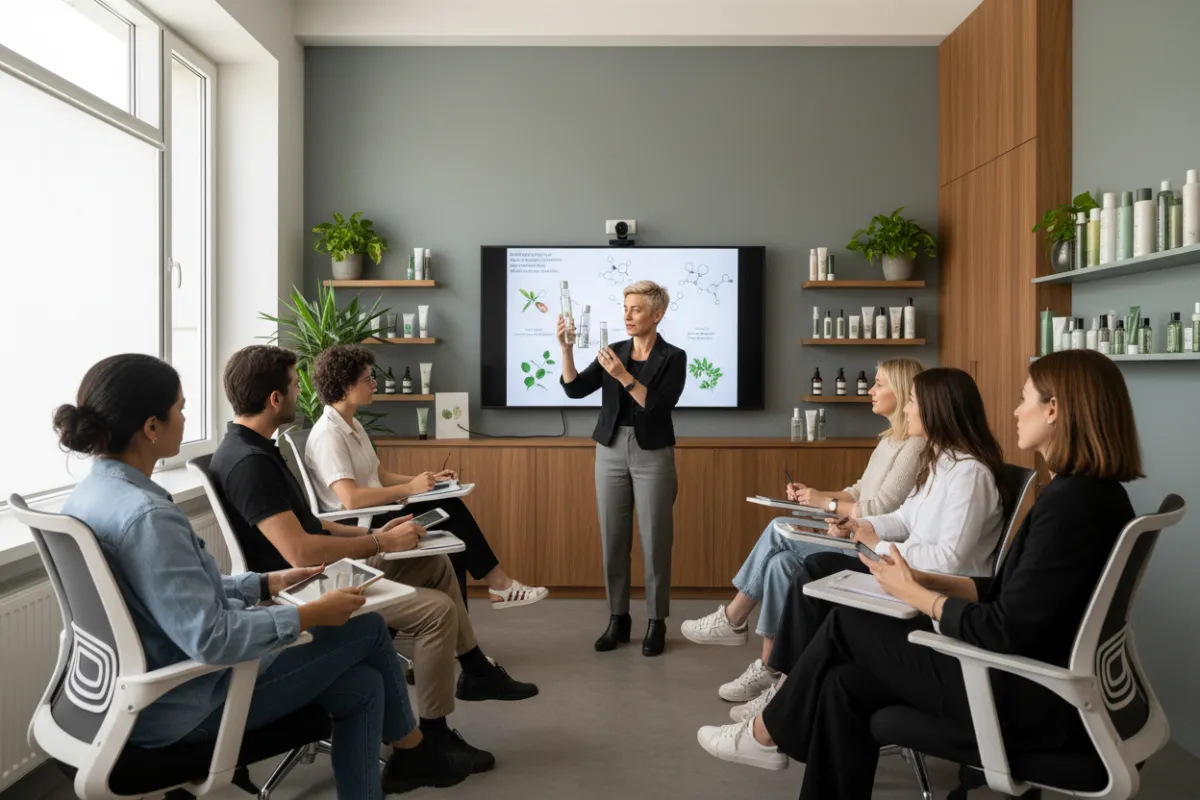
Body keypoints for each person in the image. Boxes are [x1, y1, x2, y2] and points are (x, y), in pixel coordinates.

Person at [696, 350, 1142, 800]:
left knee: (845, 626)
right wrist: (937, 585)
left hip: (1018, 695)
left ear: (1055, 409)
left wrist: (919, 593)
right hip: (1021, 679)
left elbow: (1005, 629)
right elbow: (1014, 596)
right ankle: (768, 732)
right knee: (841, 683)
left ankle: (765, 734)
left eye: (1024, 398)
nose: (1014, 410)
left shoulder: (1071, 506)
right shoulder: (1086, 497)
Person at [55, 354, 472, 798]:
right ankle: (416, 749)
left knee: (364, 686)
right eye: (179, 408)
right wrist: (310, 616)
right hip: (187, 703)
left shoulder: (91, 497)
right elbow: (212, 638)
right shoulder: (148, 516)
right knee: (366, 627)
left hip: (123, 696)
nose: (185, 416)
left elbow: (178, 595)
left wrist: (263, 584)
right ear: (151, 428)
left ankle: (407, 759)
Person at [210, 345, 538, 776]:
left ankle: (475, 672)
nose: (299, 393)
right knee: (437, 611)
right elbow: (302, 551)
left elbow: (318, 527)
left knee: (435, 566)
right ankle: (431, 738)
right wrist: (379, 545)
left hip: (318, 567)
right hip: (305, 584)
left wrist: (378, 535)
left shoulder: (257, 450)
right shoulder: (251, 463)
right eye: (292, 386)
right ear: (275, 399)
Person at [698, 365, 1008, 731]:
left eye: (911, 402)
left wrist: (876, 541)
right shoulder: (940, 464)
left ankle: (779, 684)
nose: (907, 410)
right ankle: (781, 683)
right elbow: (905, 517)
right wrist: (864, 526)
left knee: (810, 567)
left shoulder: (970, 476)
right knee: (803, 568)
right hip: (903, 571)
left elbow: (949, 561)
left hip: (930, 591)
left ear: (937, 409)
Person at [681, 358, 926, 703]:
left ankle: (734, 618)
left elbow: (880, 509)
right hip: (854, 530)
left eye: (880, 384)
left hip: (874, 546)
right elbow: (858, 492)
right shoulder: (889, 441)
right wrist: (818, 497)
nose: (871, 390)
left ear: (901, 392)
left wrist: (824, 505)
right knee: (781, 564)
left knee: (780, 527)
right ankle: (770, 669)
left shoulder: (914, 445)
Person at [306, 344, 547, 609]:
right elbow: (351, 499)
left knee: (449, 512)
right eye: (368, 379)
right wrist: (411, 487)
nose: (375, 384)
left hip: (381, 510)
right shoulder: (329, 434)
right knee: (449, 511)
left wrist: (429, 481)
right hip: (364, 523)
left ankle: (489, 600)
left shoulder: (352, 423)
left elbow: (381, 476)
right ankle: (499, 586)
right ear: (345, 386)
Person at [559, 280, 687, 657]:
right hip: (610, 449)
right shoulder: (613, 351)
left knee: (656, 540)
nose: (627, 315)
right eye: (625, 307)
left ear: (657, 314)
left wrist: (624, 377)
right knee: (613, 540)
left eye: (635, 309)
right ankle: (618, 619)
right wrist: (566, 349)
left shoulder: (673, 357)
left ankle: (656, 622)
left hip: (653, 453)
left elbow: (659, 407)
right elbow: (574, 389)